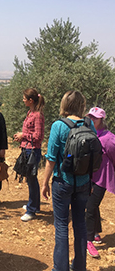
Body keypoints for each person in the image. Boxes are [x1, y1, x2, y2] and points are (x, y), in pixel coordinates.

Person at [42, 91, 96, 271]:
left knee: (61, 226)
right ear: (82, 105)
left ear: (64, 104)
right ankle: (79, 266)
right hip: (84, 183)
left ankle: (60, 268)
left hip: (62, 181)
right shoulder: (89, 124)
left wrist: (44, 183)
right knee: (80, 224)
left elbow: (51, 159)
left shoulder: (59, 125)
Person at [85, 107, 115, 258]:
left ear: (102, 120)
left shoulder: (109, 139)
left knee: (90, 207)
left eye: (95, 118)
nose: (92, 120)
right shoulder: (89, 133)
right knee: (92, 205)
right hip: (88, 176)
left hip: (101, 178)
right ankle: (96, 233)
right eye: (90, 117)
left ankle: (88, 240)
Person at [14, 88, 45, 221]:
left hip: (32, 151)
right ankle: (34, 205)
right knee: (31, 179)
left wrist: (23, 135)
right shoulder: (30, 113)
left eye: (24, 98)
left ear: (30, 100)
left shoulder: (37, 115)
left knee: (32, 179)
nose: (23, 100)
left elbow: (38, 136)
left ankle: (32, 210)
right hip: (26, 149)